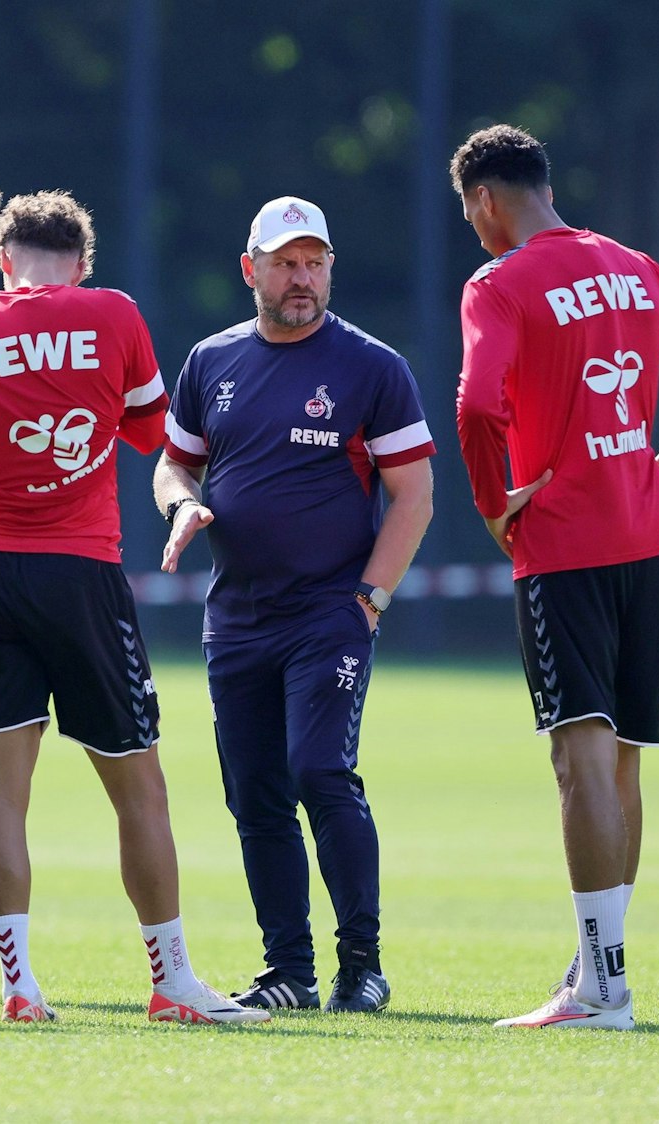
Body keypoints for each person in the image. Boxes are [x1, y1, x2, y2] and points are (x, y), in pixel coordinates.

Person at [0, 189, 267, 1026]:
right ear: (83, 261)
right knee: (138, 788)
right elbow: (150, 435)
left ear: (3, 257)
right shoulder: (111, 315)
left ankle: (19, 986)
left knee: (2, 796)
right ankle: (172, 983)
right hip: (82, 577)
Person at [450, 125, 659, 1030]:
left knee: (575, 757)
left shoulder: (498, 283)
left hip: (563, 542)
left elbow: (475, 403)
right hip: (645, 536)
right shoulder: (634, 267)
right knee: (620, 763)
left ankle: (601, 990)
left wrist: (491, 503)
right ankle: (600, 972)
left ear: (483, 199)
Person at [155, 196, 435, 1014]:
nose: (301, 277)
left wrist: (368, 601)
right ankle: (290, 972)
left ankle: (362, 964)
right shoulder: (210, 361)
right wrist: (183, 505)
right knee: (255, 792)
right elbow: (172, 465)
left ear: (330, 268)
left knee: (319, 770)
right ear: (251, 270)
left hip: (328, 614)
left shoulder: (370, 367)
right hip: (235, 616)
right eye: (284, 262)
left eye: (314, 262)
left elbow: (412, 498)